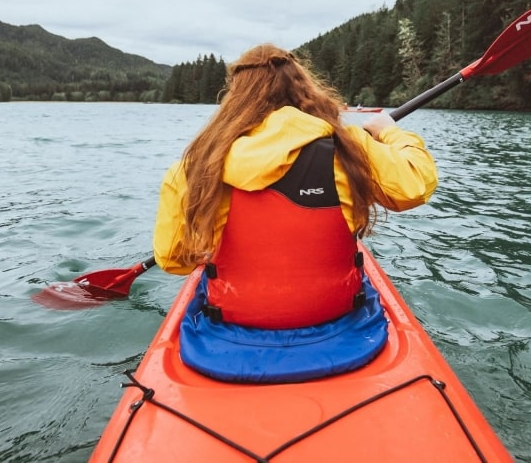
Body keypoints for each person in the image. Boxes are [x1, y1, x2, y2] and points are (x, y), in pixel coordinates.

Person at [152, 44, 437, 383]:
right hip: (340, 328)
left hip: (230, 334)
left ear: (235, 98)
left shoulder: (193, 169)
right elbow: (416, 185)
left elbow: (174, 260)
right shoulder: (350, 149)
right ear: (303, 89)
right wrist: (387, 131)